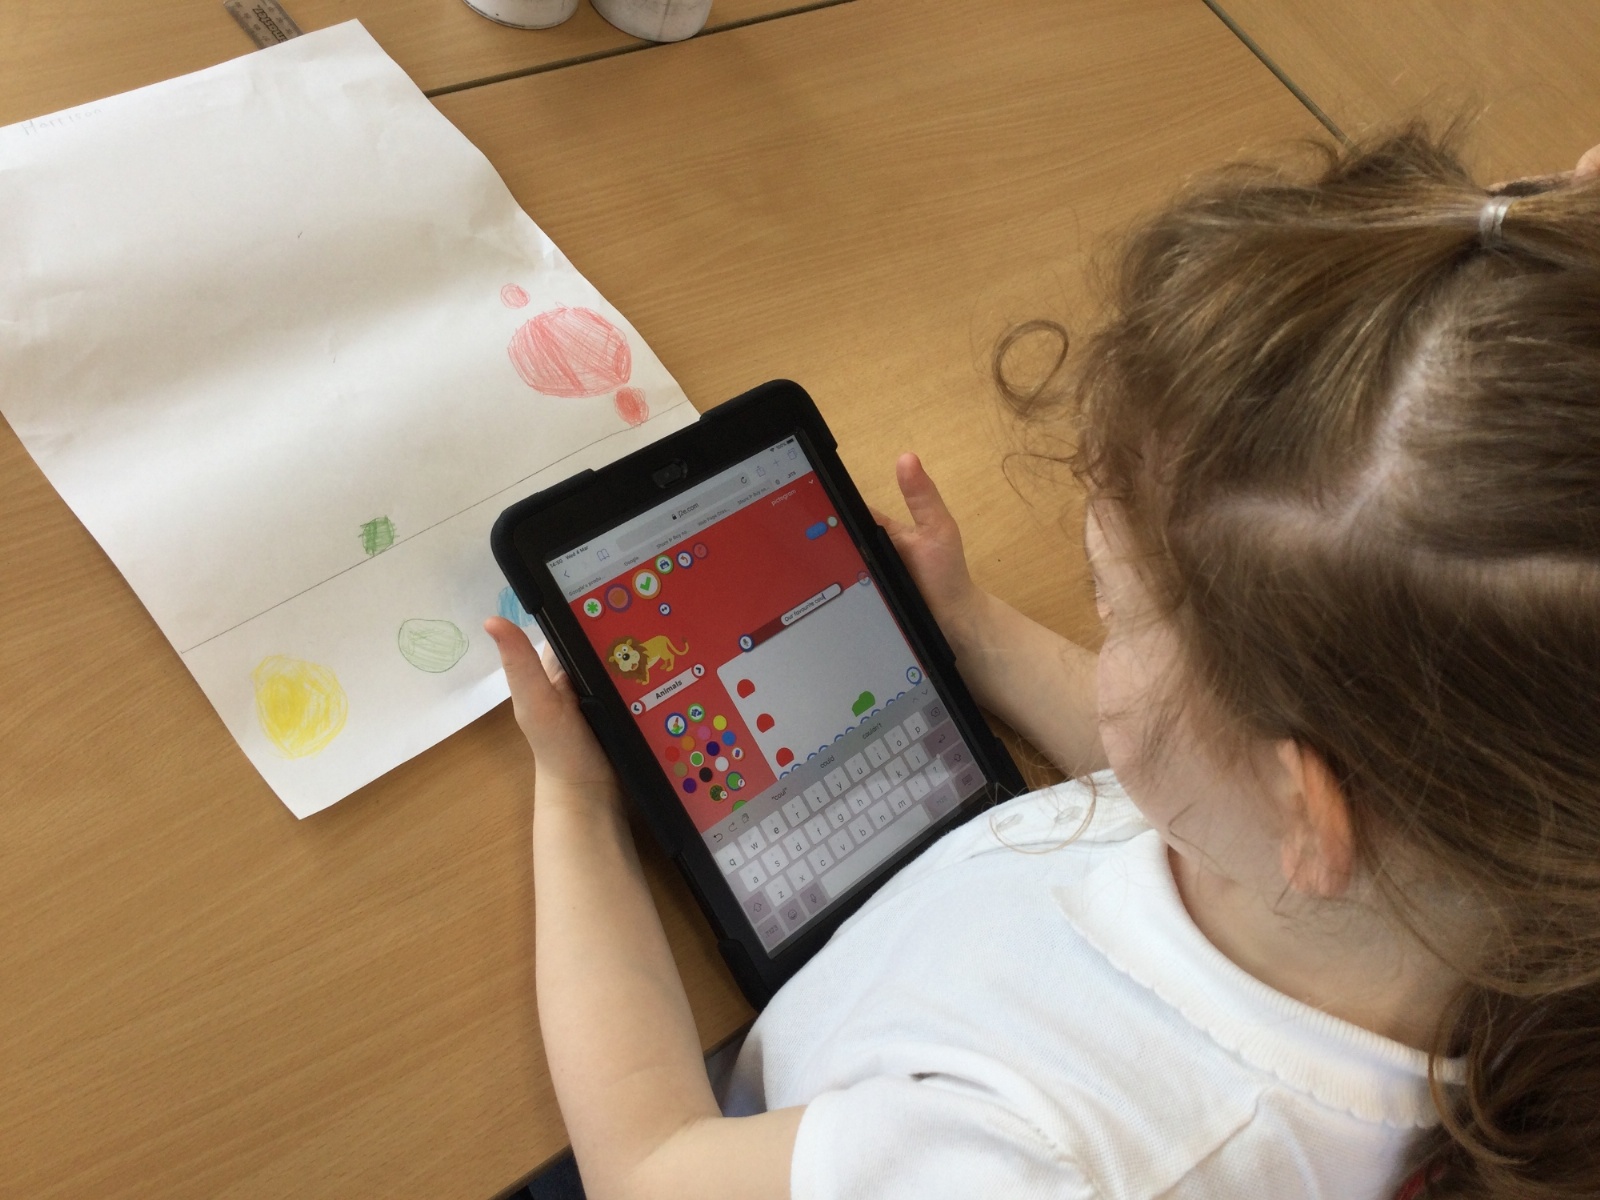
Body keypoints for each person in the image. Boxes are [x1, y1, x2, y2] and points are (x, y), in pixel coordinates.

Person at [484, 127, 1600, 1200]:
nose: (1098, 628)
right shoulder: (1479, 892)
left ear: (1306, 807)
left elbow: (647, 1167)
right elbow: (1159, 784)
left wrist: (579, 803)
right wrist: (969, 627)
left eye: (1115, 609)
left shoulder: (1042, 1167)